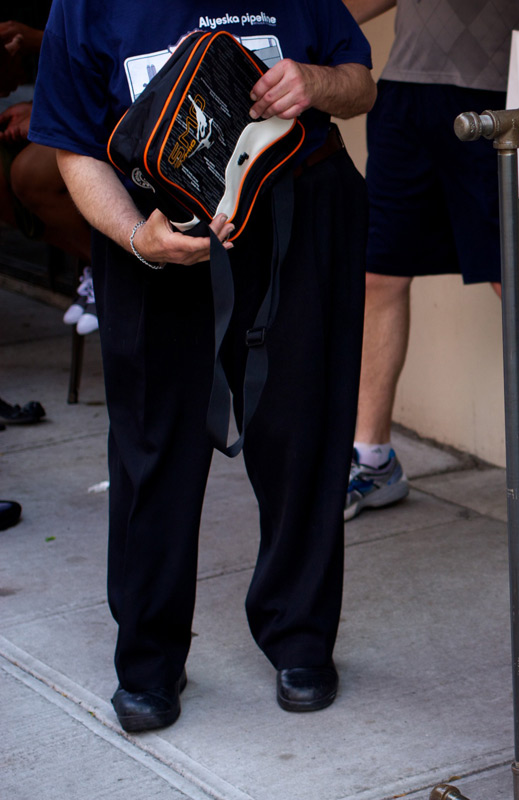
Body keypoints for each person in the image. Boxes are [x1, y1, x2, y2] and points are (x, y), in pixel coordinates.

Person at [28, 0, 375, 733]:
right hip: (156, 235)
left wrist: (313, 82)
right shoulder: (85, 6)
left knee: (302, 436)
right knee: (153, 446)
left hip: (296, 224)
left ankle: (300, 637)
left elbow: (359, 82)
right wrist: (134, 236)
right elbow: (73, 147)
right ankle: (149, 658)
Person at [341, 0, 519, 520]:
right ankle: (373, 459)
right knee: (379, 273)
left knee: (517, 277)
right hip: (405, 89)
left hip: (502, 89)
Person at [0, 9, 96, 333]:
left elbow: (112, 53)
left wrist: (39, 41)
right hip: (69, 103)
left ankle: (116, 270)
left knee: (29, 174)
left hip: (120, 110)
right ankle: (101, 265)